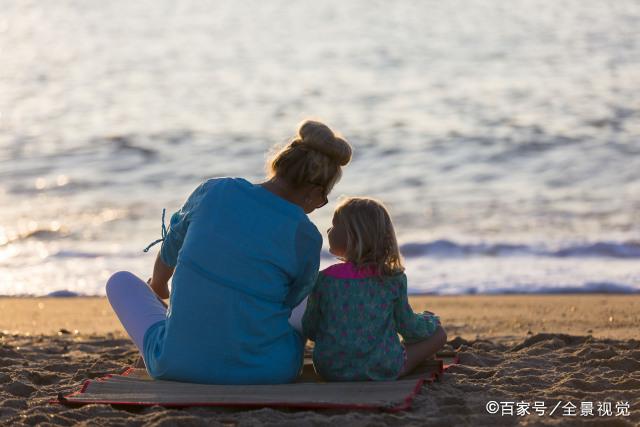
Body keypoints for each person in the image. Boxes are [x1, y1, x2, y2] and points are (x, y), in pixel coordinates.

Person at [105, 120, 352, 384]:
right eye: (323, 199)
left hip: (175, 365)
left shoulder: (215, 190)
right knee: (312, 295)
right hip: (269, 370)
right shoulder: (305, 234)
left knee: (119, 281)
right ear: (314, 191)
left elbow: (171, 247)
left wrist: (159, 286)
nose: (318, 206)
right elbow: (292, 301)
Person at [302, 197, 447, 381]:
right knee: (439, 334)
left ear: (353, 235)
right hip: (382, 367)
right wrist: (431, 321)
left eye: (334, 224)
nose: (329, 230)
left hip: (330, 369)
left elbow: (311, 329)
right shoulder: (392, 279)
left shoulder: (324, 279)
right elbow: (409, 328)